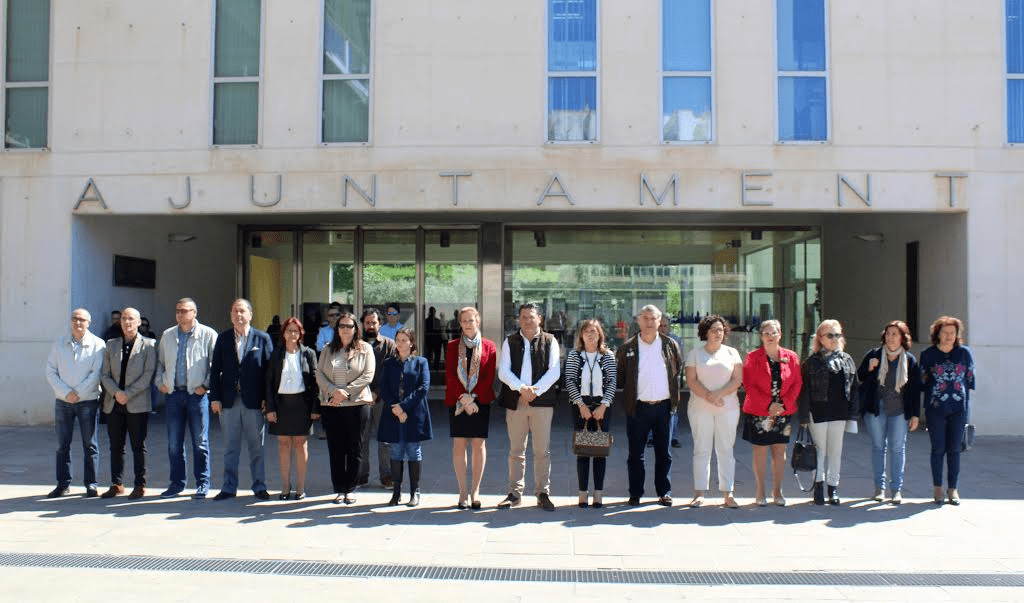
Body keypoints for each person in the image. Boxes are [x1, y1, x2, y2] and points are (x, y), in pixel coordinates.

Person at [616, 304, 683, 506]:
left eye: (653, 318)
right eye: (645, 318)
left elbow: (677, 370)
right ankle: (635, 492)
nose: (649, 322)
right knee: (636, 454)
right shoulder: (628, 347)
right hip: (638, 408)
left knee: (664, 452)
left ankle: (664, 491)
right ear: (638, 320)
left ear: (659, 320)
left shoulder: (670, 345)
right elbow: (621, 377)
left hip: (664, 407)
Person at [497, 302, 561, 511]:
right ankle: (515, 493)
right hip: (516, 403)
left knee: (542, 451)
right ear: (519, 319)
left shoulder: (550, 341)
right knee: (516, 451)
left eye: (531, 316)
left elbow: (554, 372)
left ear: (540, 319)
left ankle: (543, 493)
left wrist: (534, 392)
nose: (527, 320)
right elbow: (503, 371)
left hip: (542, 403)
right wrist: (521, 389)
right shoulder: (510, 341)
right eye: (523, 317)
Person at [209, 299, 274, 501]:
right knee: (230, 447)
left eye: (242, 311)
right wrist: (215, 398)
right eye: (235, 311)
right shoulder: (223, 339)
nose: (238, 315)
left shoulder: (262, 339)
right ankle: (229, 487)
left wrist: (267, 399)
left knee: (257, 447)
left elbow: (269, 373)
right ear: (231, 315)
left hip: (254, 402)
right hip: (229, 401)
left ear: (250, 315)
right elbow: (215, 370)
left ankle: (259, 485)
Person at [154, 298, 217, 499]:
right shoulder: (168, 335)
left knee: (200, 442)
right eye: (178, 311)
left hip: (196, 396)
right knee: (174, 443)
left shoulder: (207, 335)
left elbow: (216, 366)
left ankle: (202, 483)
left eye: (185, 311)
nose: (181, 314)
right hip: (173, 395)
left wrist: (205, 386)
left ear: (195, 313)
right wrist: (160, 383)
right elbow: (160, 363)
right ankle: (177, 483)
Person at [857, 320, 922, 505]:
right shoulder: (874, 355)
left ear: (902, 338)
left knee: (897, 448)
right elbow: (859, 376)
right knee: (878, 447)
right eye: (888, 334)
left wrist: (915, 415)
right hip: (877, 409)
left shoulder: (909, 360)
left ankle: (896, 490)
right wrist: (869, 367)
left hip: (900, 411)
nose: (891, 338)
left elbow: (915, 389)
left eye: (895, 334)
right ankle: (879, 488)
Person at [45, 308, 105, 498]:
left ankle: (91, 484)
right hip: (63, 402)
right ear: (71, 322)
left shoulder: (98, 345)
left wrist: (77, 393)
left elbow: (96, 374)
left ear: (89, 322)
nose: (78, 323)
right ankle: (63, 484)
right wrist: (66, 393)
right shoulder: (59, 344)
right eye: (75, 319)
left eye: (82, 320)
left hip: (87, 401)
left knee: (90, 445)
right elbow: (50, 371)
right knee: (63, 445)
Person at [316, 312, 376, 504]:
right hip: (332, 404)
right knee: (336, 448)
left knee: (354, 448)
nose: (345, 329)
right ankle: (339, 489)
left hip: (356, 404)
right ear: (337, 329)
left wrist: (346, 392)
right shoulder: (328, 349)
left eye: (349, 326)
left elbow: (368, 375)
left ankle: (350, 488)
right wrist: (334, 391)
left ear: (355, 329)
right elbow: (319, 374)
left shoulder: (365, 348)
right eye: (341, 326)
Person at [798, 319, 859, 506]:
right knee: (819, 451)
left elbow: (854, 387)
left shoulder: (847, 359)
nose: (834, 339)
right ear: (820, 338)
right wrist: (803, 416)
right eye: (830, 335)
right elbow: (804, 390)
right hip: (818, 411)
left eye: (837, 335)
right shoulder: (811, 361)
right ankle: (818, 486)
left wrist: (853, 413)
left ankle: (833, 487)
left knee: (835, 451)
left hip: (839, 412)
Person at [742, 320, 802, 507]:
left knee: (779, 452)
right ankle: (760, 492)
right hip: (759, 411)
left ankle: (778, 491)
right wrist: (768, 405)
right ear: (761, 336)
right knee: (759, 451)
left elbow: (797, 383)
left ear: (780, 334)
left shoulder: (790, 357)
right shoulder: (752, 357)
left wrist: (783, 404)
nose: (770, 336)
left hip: (783, 411)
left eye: (773, 332)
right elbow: (748, 385)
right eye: (766, 333)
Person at [685, 315, 743, 508]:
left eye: (721, 330)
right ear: (705, 332)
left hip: (727, 408)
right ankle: (699, 493)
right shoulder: (695, 353)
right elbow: (691, 381)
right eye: (713, 330)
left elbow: (737, 380)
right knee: (701, 449)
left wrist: (718, 395)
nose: (718, 333)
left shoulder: (732, 353)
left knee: (726, 449)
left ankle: (728, 493)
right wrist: (709, 396)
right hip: (700, 408)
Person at [99, 307, 157, 499]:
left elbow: (148, 375)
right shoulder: (111, 345)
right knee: (116, 445)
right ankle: (117, 483)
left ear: (139, 322)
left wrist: (127, 394)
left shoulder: (149, 345)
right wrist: (116, 393)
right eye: (124, 318)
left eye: (131, 319)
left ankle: (140, 484)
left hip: (137, 403)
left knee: (138, 445)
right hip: (114, 403)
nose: (127, 322)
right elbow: (104, 374)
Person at [444, 306, 496, 510]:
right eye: (463, 320)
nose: (467, 324)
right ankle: (462, 491)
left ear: (478, 321)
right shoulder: (452, 346)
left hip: (480, 401)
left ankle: (475, 491)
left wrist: (472, 398)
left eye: (471, 320)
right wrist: (464, 398)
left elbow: (489, 376)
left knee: (478, 445)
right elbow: (449, 375)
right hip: (458, 402)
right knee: (459, 445)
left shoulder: (489, 346)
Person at [919, 316, 975, 506]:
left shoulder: (965, 354)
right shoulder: (928, 354)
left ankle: (953, 488)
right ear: (938, 333)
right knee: (938, 449)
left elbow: (969, 381)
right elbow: (923, 381)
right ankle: (937, 487)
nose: (949, 336)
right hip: (936, 409)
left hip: (959, 409)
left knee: (954, 450)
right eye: (945, 332)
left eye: (953, 332)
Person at [564, 319, 616, 509]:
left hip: (603, 407)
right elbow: (569, 381)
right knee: (583, 450)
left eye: (594, 331)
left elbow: (612, 382)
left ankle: (598, 494)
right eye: (587, 331)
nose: (591, 334)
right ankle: (582, 494)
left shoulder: (608, 355)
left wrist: (603, 406)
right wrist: (581, 405)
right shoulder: (574, 356)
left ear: (600, 334)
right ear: (581, 335)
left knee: (601, 451)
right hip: (581, 407)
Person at [265, 317, 319, 500]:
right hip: (282, 405)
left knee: (300, 445)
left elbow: (314, 383)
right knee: (283, 445)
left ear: (300, 333)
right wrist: (270, 408)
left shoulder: (308, 353)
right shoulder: (276, 354)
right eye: (289, 330)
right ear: (284, 333)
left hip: (301, 404)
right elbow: (269, 383)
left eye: (296, 331)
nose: (292, 334)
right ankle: (285, 487)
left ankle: (300, 487)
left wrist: (315, 407)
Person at [378, 328, 432, 506]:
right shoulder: (389, 362)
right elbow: (383, 387)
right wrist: (396, 407)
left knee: (413, 450)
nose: (400, 343)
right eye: (398, 340)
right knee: (396, 451)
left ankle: (414, 492)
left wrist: (404, 407)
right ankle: (396, 493)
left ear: (411, 342)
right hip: (393, 414)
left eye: (404, 339)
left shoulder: (420, 362)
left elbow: (423, 387)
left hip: (413, 413)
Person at [359, 308, 398, 489]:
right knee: (362, 438)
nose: (371, 326)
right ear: (362, 324)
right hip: (360, 399)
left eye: (374, 322)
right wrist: (365, 393)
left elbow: (390, 373)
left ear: (379, 324)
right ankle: (361, 475)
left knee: (385, 439)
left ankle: (387, 475)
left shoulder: (389, 345)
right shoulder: (356, 345)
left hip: (382, 399)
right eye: (367, 322)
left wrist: (376, 393)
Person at [660, 315, 685, 448]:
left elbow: (681, 360)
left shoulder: (676, 340)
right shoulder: (651, 340)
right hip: (656, 381)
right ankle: (653, 437)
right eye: (660, 326)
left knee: (673, 409)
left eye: (665, 326)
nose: (663, 328)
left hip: (672, 380)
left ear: (669, 326)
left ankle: (673, 437)